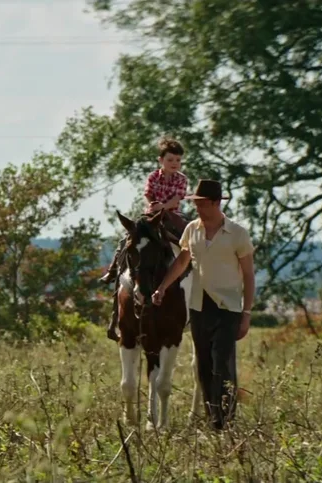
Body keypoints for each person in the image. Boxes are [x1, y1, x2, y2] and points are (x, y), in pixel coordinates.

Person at [151, 179, 255, 430]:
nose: (197, 208)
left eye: (202, 204)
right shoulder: (192, 230)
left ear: (216, 203)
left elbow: (249, 275)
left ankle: (226, 420)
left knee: (222, 363)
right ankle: (213, 419)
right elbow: (182, 261)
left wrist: (247, 313)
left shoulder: (237, 234)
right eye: (195, 203)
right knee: (204, 365)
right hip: (199, 306)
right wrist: (162, 286)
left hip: (228, 307)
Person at [100, 136, 191, 341]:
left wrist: (163, 207)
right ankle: (114, 269)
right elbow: (148, 194)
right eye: (170, 160)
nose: (174, 163)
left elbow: (177, 199)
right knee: (128, 238)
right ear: (161, 160)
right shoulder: (153, 176)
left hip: (172, 215)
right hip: (151, 215)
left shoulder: (181, 179)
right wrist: (153, 206)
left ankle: (196, 268)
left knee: (188, 237)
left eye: (178, 160)